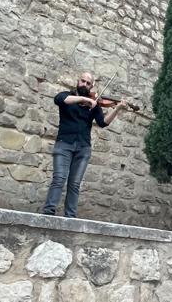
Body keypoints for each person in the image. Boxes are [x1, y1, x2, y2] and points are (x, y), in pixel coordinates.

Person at [42, 72, 126, 217]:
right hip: (64, 144)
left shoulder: (94, 105)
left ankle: (70, 217)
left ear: (91, 86)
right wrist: (83, 99)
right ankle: (49, 212)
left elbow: (102, 123)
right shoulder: (67, 96)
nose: (85, 85)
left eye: (88, 83)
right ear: (78, 81)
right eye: (83, 81)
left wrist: (117, 109)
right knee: (59, 178)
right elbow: (58, 99)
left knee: (74, 184)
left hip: (83, 148)